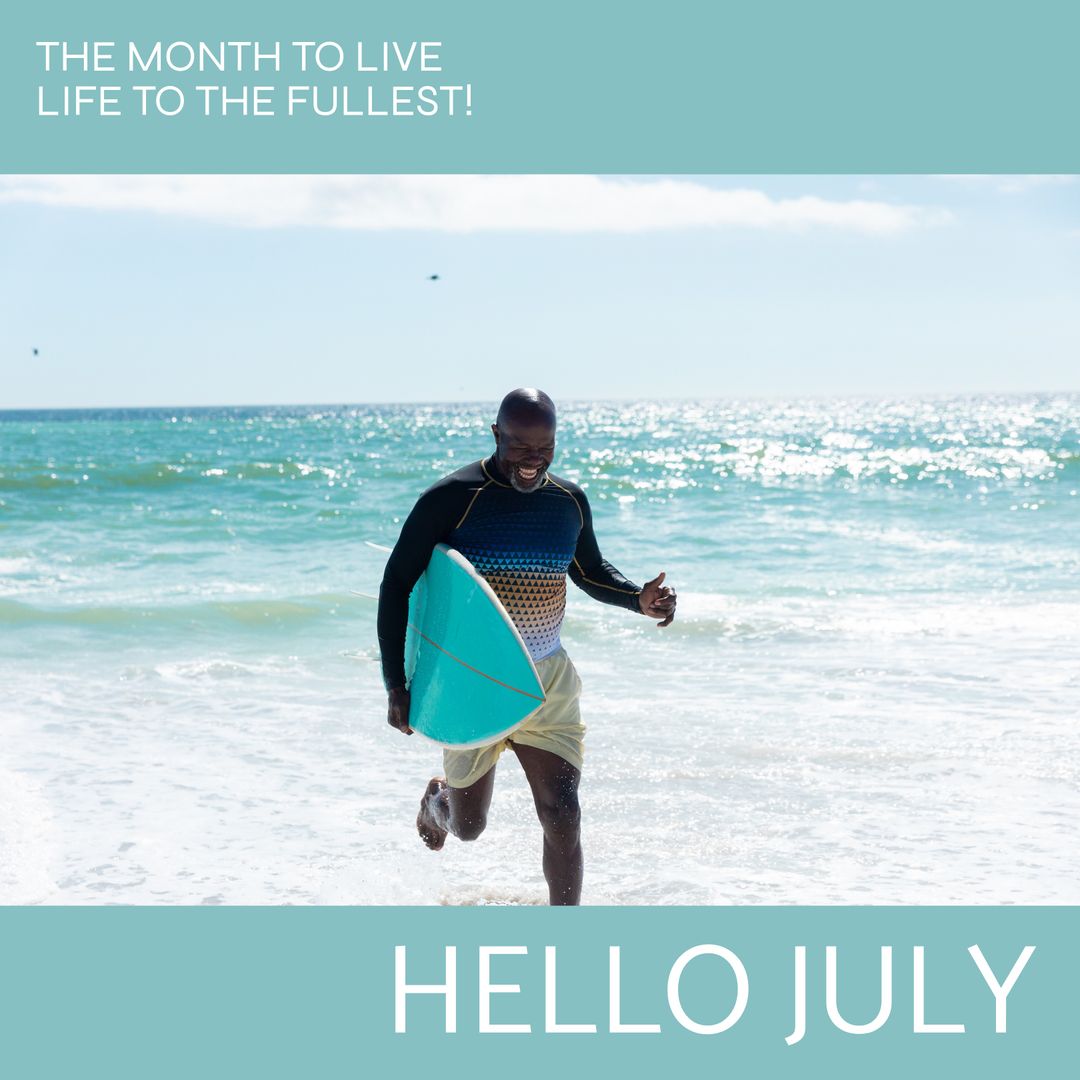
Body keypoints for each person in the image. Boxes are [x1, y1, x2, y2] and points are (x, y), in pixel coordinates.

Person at [377, 388, 677, 904]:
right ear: (497, 435)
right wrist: (396, 684)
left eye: (545, 447)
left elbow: (588, 571)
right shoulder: (450, 499)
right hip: (472, 683)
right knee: (468, 827)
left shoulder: (567, 503)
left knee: (563, 812)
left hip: (547, 680)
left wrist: (637, 600)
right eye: (520, 447)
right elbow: (397, 584)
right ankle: (437, 802)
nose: (534, 461)